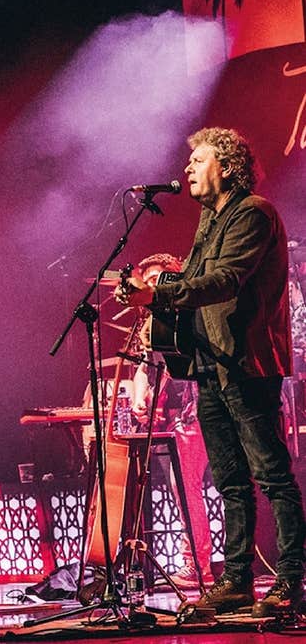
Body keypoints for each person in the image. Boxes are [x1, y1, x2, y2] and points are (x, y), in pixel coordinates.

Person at [116, 127, 301, 616]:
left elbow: (223, 281)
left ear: (226, 165)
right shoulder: (210, 218)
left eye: (198, 161)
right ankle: (237, 581)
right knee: (230, 480)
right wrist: (144, 285)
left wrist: (157, 294)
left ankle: (290, 582)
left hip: (247, 362)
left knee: (272, 475)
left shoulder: (253, 213)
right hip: (210, 364)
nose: (187, 170)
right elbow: (191, 279)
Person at [127, 252, 214, 590]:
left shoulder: (192, 313)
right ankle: (196, 564)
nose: (151, 290)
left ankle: (199, 565)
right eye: (146, 284)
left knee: (190, 487)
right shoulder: (153, 321)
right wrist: (140, 395)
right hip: (180, 419)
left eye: (157, 282)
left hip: (201, 410)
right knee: (184, 488)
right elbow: (145, 367)